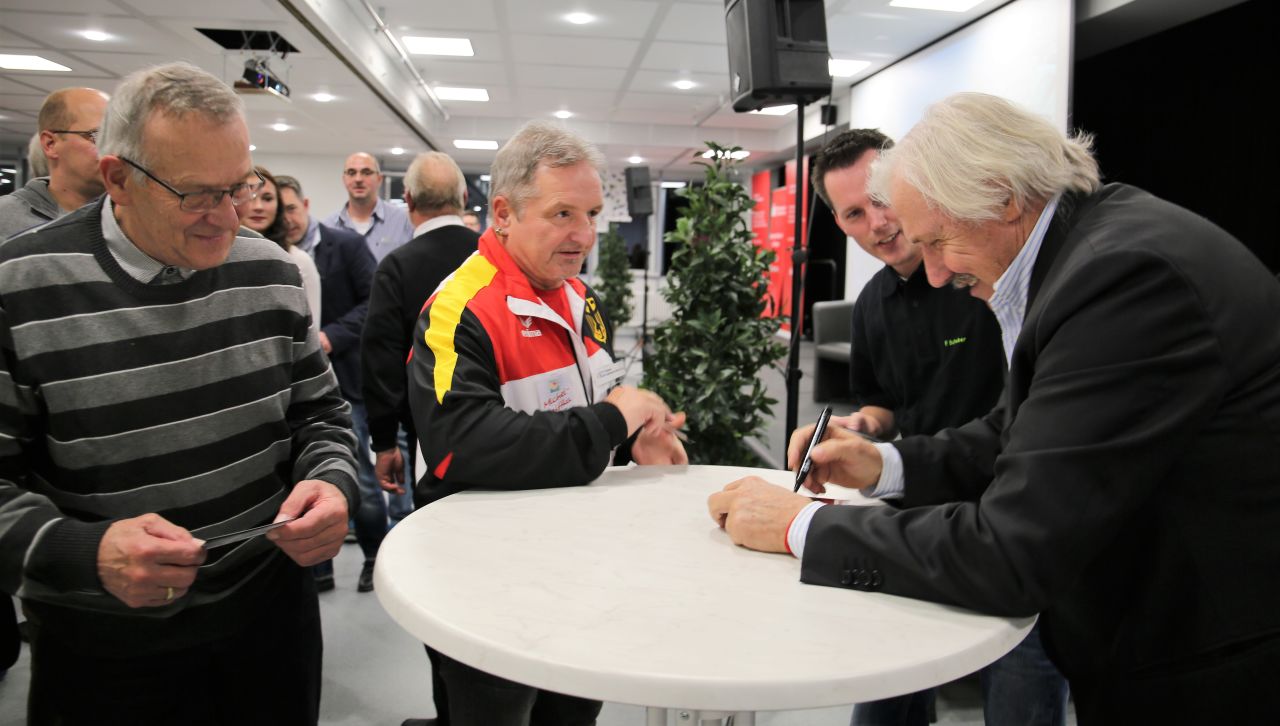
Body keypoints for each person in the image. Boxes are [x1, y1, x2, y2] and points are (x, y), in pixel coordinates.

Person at [708, 92, 1280, 725]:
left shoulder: (1121, 277)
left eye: (937, 241)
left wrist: (803, 526)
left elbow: (1013, 550)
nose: (933, 274)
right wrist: (883, 464)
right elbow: (1018, 429)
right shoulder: (1095, 247)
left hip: (1208, 660)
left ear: (1003, 197)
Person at [0, 62, 358, 724]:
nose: (227, 218)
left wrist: (331, 482)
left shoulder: (271, 270)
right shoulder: (21, 285)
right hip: (105, 644)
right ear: (118, 178)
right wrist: (84, 553)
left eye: (238, 188)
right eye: (196, 195)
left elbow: (321, 414)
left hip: (268, 619)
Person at [407, 121, 687, 726]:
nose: (584, 234)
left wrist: (633, 441)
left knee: (572, 712)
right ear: (503, 214)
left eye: (591, 214)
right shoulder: (458, 309)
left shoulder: (579, 297)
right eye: (563, 214)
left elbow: (589, 403)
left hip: (577, 566)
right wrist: (610, 424)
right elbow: (461, 446)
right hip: (484, 581)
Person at [812, 130, 1066, 725]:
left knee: (1022, 688)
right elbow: (883, 404)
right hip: (921, 511)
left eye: (881, 199)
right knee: (887, 690)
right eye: (854, 213)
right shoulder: (871, 304)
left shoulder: (993, 278)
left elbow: (1022, 416)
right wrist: (862, 428)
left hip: (1012, 513)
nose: (878, 223)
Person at [279, 173, 383, 593]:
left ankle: (375, 557)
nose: (284, 217)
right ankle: (319, 568)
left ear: (305, 206)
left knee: (359, 477)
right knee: (300, 479)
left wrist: (329, 337)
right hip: (288, 389)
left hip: (343, 381)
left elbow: (372, 302)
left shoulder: (345, 245)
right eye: (275, 207)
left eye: (289, 207)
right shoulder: (266, 255)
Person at [362, 152, 479, 510]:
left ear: (408, 200)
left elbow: (381, 360)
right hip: (503, 423)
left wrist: (384, 443)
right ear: (464, 198)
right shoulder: (494, 259)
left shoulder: (396, 267)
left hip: (428, 434)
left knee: (436, 526)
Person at [0, 87, 108, 239]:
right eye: (99, 136)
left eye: (116, 138)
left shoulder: (131, 219)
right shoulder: (6, 219)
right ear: (50, 144)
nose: (114, 148)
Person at [236, 167, 321, 331]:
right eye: (249, 196)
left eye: (267, 198)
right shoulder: (217, 256)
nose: (258, 206)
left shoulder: (298, 260)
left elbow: (311, 330)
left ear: (278, 206)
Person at [325, 151, 415, 263]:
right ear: (344, 179)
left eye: (366, 172)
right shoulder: (329, 227)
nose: (358, 179)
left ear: (379, 179)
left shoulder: (403, 221)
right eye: (351, 173)